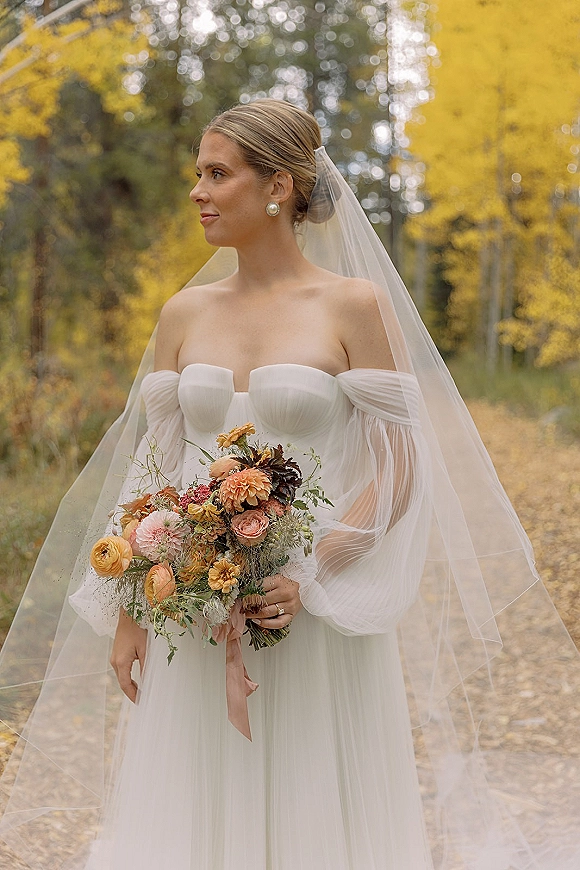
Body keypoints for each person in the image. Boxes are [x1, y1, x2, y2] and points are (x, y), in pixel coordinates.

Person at [0, 98, 579, 870]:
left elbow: (401, 466)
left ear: (278, 185)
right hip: (194, 611)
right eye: (196, 174)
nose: (198, 192)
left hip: (310, 613)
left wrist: (315, 569)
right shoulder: (183, 311)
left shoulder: (351, 305)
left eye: (217, 174)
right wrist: (131, 604)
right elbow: (153, 469)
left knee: (315, 815)